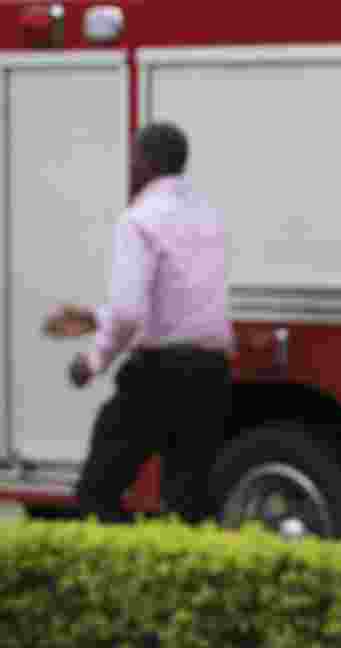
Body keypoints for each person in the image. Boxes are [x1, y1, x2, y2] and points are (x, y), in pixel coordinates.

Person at [43, 122, 234, 525]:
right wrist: (99, 317)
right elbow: (176, 299)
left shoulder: (140, 219)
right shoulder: (209, 216)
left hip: (160, 375)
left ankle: (122, 576)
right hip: (212, 374)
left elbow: (130, 313)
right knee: (189, 505)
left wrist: (93, 361)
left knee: (98, 492)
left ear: (144, 163)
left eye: (133, 157)